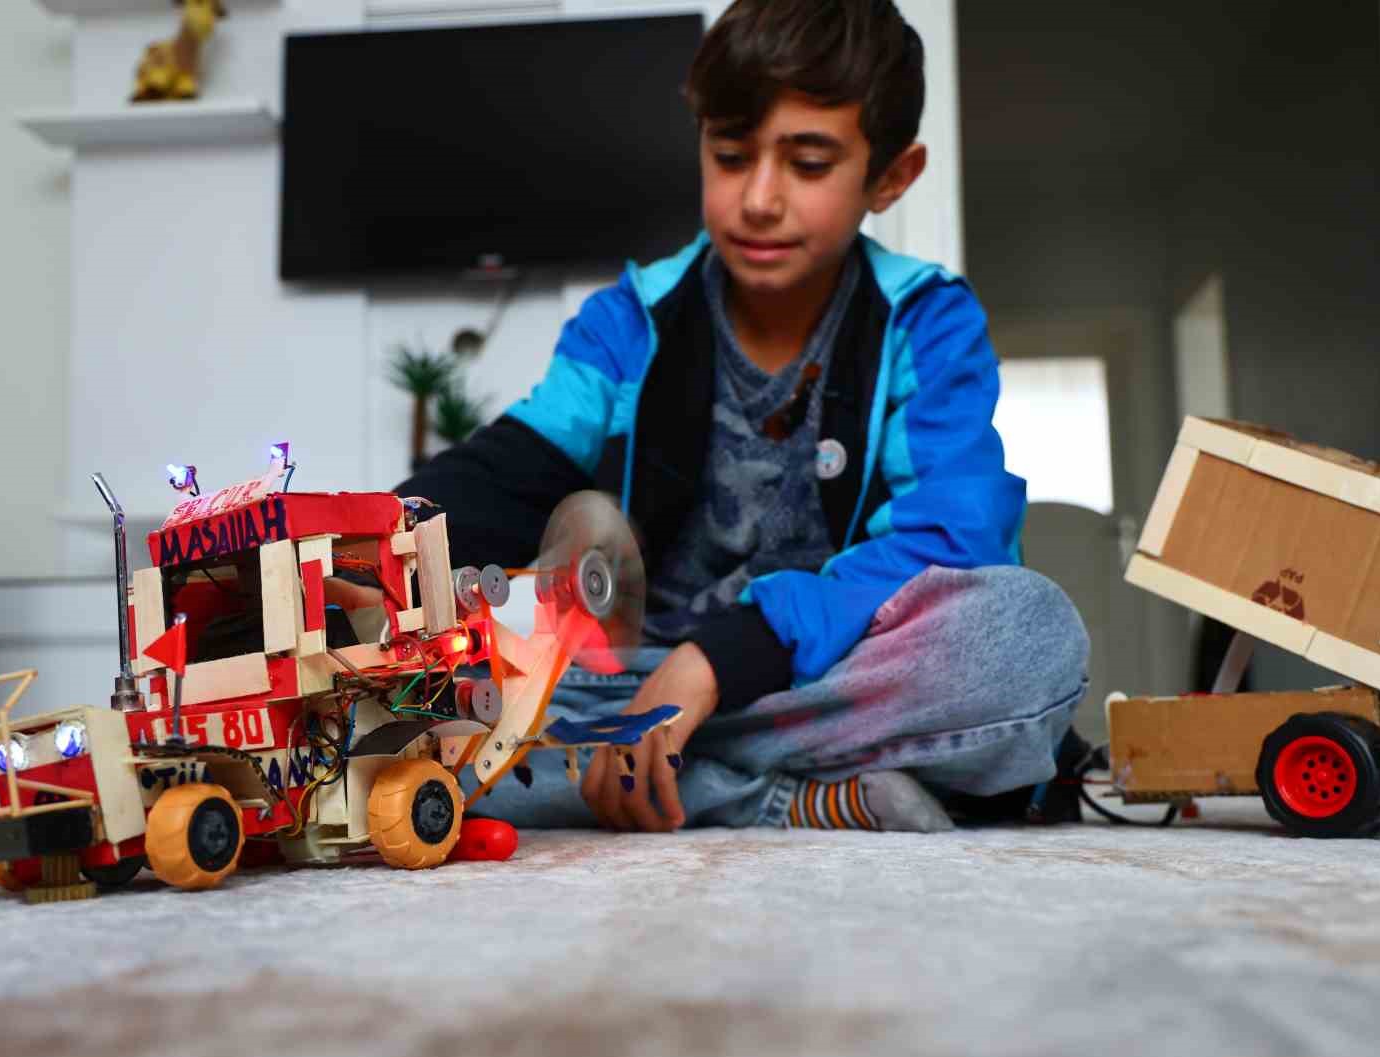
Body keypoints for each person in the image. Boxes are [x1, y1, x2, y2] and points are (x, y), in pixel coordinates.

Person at [384, 0, 1090, 833]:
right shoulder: (631, 318)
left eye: (809, 163)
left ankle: (647, 766)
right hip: (631, 682)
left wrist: (719, 660)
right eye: (730, 155)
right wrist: (366, 546)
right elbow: (509, 471)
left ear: (891, 176)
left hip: (817, 669)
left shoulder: (926, 323)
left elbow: (953, 541)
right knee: (401, 708)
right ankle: (789, 799)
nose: (758, 198)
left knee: (1028, 634)